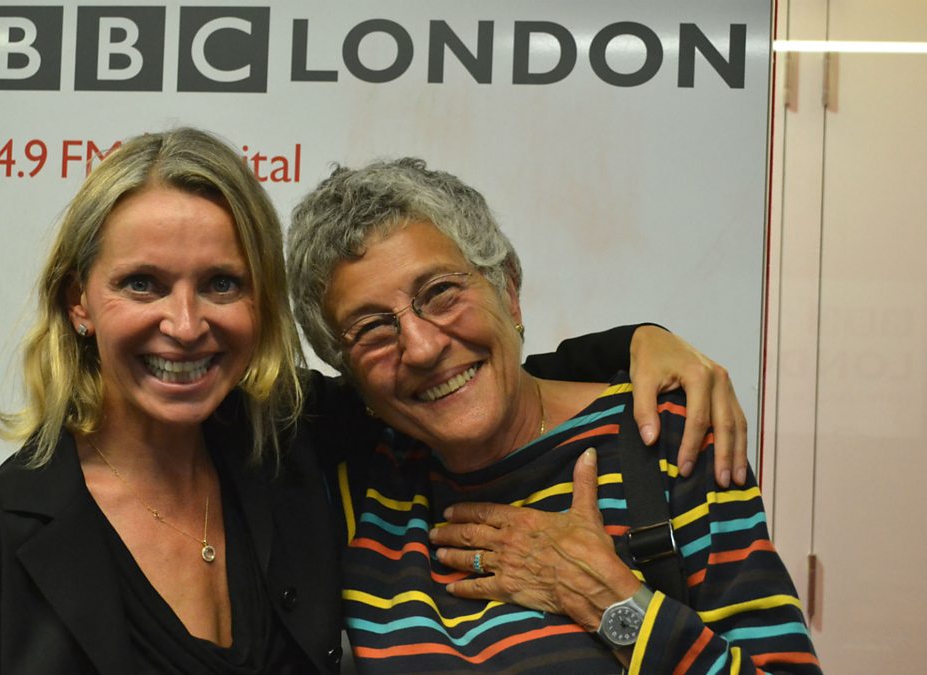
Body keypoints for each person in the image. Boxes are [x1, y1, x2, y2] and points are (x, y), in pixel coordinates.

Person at [0, 129, 751, 673]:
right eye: (143, 283)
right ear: (78, 302)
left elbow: (456, 374)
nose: (185, 323)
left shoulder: (296, 451)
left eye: (222, 283)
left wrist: (642, 342)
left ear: (258, 306)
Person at [283, 157, 819, 672]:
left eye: (441, 292)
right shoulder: (354, 483)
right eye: (373, 328)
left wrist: (610, 603)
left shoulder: (665, 437)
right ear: (346, 371)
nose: (421, 348)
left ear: (508, 292)